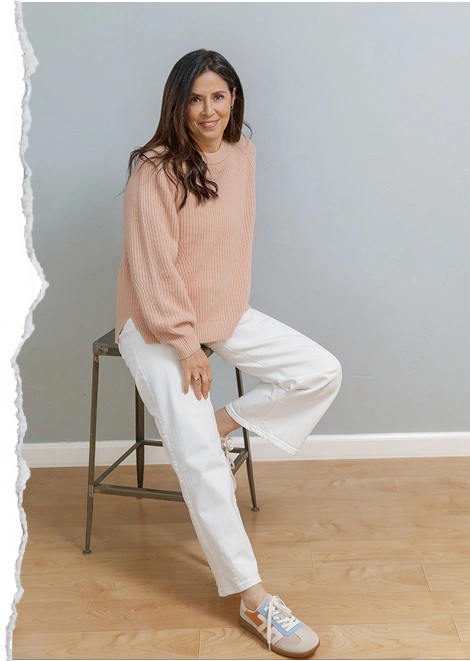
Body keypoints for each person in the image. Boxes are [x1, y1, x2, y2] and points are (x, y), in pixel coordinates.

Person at [115, 48, 342, 659]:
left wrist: (220, 327)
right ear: (177, 104)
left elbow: (233, 248)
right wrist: (188, 343)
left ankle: (223, 423)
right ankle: (252, 597)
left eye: (218, 96)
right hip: (156, 324)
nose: (207, 110)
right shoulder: (154, 170)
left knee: (320, 371)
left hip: (221, 311)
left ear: (234, 98)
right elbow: (152, 266)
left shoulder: (243, 154)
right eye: (195, 99)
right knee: (199, 459)